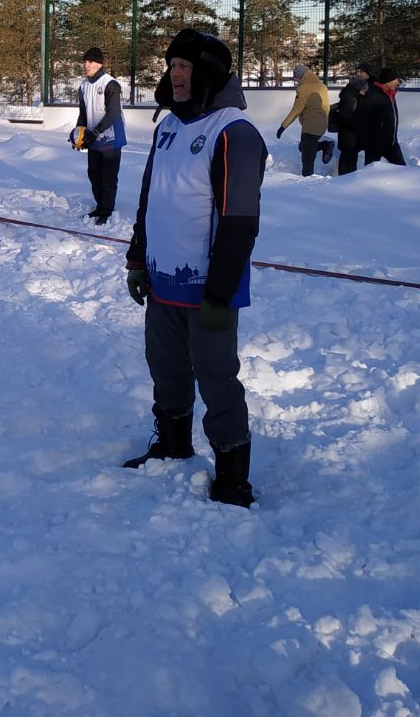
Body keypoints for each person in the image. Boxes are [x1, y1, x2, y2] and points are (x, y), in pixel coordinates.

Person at [123, 29, 267, 508]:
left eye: (184, 66)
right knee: (165, 367)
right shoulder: (167, 127)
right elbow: (151, 201)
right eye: (171, 65)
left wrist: (220, 294)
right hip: (163, 281)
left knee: (217, 377)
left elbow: (240, 222)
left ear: (207, 71)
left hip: (208, 290)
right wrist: (138, 259)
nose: (174, 74)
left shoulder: (234, 133)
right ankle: (172, 442)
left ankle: (232, 477)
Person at [70, 47, 126, 226]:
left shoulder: (111, 84)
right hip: (94, 137)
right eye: (85, 62)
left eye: (91, 62)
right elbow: (83, 113)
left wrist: (95, 132)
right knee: (94, 173)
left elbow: (114, 114)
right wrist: (79, 133)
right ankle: (100, 205)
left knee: (108, 176)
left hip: (111, 137)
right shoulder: (84, 86)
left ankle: (107, 210)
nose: (87, 65)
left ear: (100, 63)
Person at [276, 64, 333, 176]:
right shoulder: (322, 86)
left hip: (310, 126)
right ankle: (325, 145)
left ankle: (306, 180)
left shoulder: (303, 89)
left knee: (307, 158)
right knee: (303, 147)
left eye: (295, 77)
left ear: (301, 76)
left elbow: (297, 109)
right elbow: (327, 106)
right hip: (321, 123)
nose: (295, 80)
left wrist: (283, 126)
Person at [334, 62, 373, 175]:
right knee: (347, 160)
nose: (358, 73)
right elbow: (345, 116)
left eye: (361, 71)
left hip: (352, 134)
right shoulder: (350, 97)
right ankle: (344, 182)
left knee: (351, 159)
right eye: (357, 71)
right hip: (349, 134)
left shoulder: (354, 94)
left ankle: (349, 180)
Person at [361, 68, 406, 166]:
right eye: (396, 80)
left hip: (391, 141)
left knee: (402, 168)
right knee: (370, 170)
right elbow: (364, 117)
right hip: (375, 142)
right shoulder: (373, 94)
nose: (398, 83)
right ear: (388, 80)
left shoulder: (390, 94)